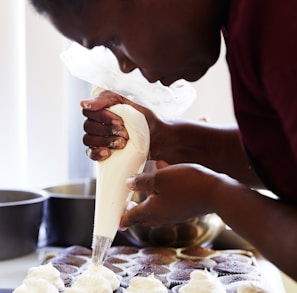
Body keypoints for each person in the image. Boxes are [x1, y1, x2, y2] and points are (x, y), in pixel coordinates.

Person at [29, 0, 297, 281]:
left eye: (114, 39)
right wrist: (162, 138)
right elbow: (282, 158)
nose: (124, 65)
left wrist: (215, 195)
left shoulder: (279, 21)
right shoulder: (247, 23)